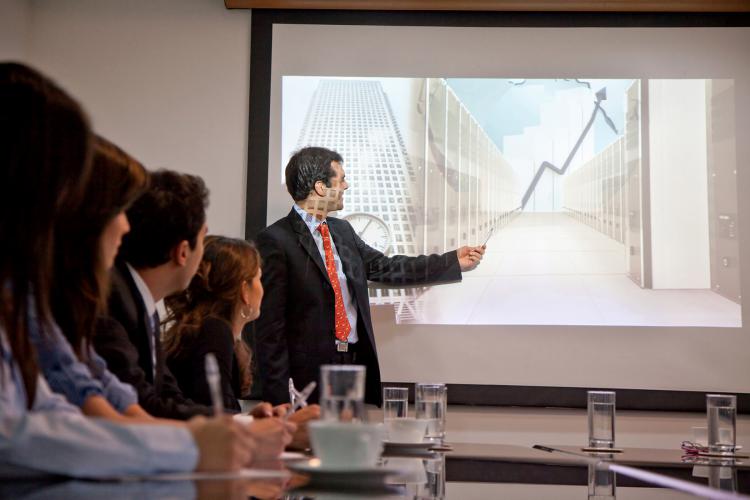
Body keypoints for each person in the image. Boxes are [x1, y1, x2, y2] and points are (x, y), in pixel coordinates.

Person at [0, 62, 253, 476]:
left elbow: (95, 396)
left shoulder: (25, 298)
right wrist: (198, 448)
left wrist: (223, 437)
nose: (125, 225)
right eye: (117, 209)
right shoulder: (100, 301)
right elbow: (19, 439)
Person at [255, 146, 485, 406]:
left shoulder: (342, 231)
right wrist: (279, 401)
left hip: (352, 363)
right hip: (306, 378)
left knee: (350, 432)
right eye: (341, 179)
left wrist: (451, 260)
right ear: (320, 187)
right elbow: (269, 330)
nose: (346, 185)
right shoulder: (275, 240)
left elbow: (387, 267)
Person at [93, 169, 294, 453]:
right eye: (203, 237)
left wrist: (245, 423)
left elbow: (166, 397)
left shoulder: (140, 304)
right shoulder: (115, 302)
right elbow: (144, 404)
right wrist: (249, 428)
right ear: (183, 252)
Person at [30, 136, 154, 422]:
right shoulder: (27, 307)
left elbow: (120, 408)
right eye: (119, 209)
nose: (126, 226)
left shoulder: (58, 307)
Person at [163, 236, 320, 447]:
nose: (262, 288)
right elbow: (217, 420)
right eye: (259, 279)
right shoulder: (215, 331)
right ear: (244, 290)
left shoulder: (208, 329)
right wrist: (278, 428)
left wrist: (255, 420)